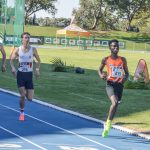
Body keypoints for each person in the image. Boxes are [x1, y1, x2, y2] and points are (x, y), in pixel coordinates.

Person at [98, 39, 129, 138]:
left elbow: (127, 73)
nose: (116, 47)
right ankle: (108, 124)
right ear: (110, 47)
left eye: (117, 46)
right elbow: (99, 69)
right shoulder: (106, 59)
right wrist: (101, 75)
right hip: (110, 84)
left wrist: (124, 79)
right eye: (113, 46)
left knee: (116, 105)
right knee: (114, 103)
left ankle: (108, 122)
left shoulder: (122, 59)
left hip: (119, 86)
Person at [10, 32, 40, 121]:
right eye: (26, 37)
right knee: (22, 95)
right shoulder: (18, 50)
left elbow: (39, 61)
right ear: (22, 39)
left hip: (29, 75)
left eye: (28, 38)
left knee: (30, 98)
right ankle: (22, 113)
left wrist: (37, 69)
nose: (27, 39)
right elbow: (11, 60)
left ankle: (25, 93)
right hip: (21, 75)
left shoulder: (33, 49)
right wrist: (13, 68)